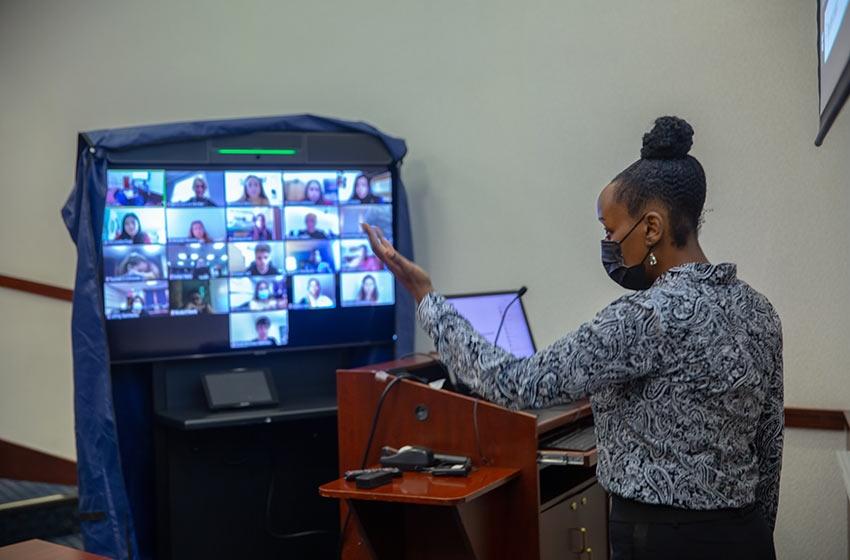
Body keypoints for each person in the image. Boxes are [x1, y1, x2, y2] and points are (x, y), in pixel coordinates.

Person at [363, 116, 783, 560]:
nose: (609, 245)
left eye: (610, 231)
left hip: (663, 542)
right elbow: (769, 449)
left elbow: (516, 383)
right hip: (746, 537)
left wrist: (426, 298)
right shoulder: (759, 310)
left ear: (653, 228)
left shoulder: (646, 317)